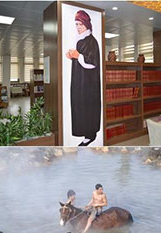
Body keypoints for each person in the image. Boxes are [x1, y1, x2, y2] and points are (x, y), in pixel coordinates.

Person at [66, 10, 101, 146]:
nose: (78, 27)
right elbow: (81, 61)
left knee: (88, 107)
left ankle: (90, 134)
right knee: (79, 105)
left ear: (86, 24)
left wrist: (78, 56)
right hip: (79, 81)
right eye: (76, 24)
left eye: (80, 24)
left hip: (88, 84)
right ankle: (84, 132)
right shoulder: (81, 40)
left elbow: (92, 62)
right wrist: (72, 56)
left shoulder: (91, 41)